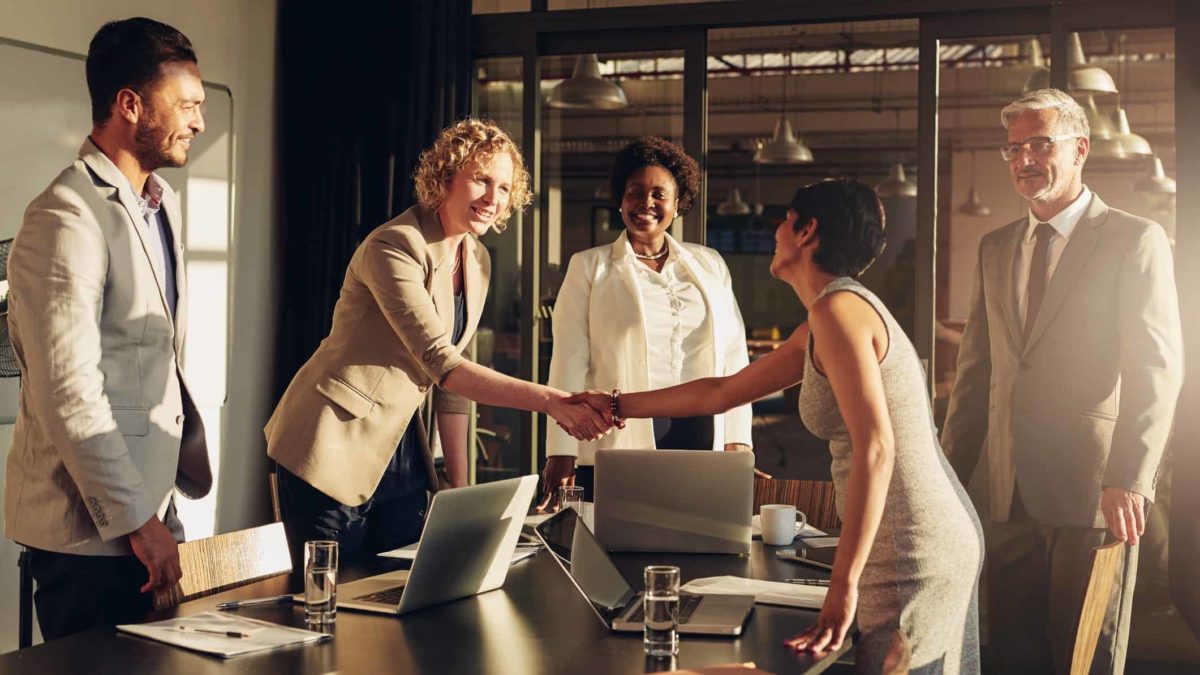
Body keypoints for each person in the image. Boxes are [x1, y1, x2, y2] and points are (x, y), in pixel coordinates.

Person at [571, 179, 983, 673]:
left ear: (808, 231)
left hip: (910, 546)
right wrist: (613, 405)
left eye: (785, 220)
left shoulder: (839, 311)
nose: (775, 230)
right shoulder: (826, 317)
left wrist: (843, 583)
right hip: (909, 535)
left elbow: (877, 448)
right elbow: (721, 392)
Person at [266, 118, 610, 566]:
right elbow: (443, 362)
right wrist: (553, 401)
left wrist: (459, 491)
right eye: (481, 180)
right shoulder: (394, 245)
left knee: (397, 594)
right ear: (445, 178)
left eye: (504, 188)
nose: (492, 198)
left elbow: (450, 386)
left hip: (404, 450)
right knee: (331, 598)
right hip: (332, 439)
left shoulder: (477, 259)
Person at [940, 88, 1182, 675]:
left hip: (1095, 491)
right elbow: (977, 375)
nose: (1025, 158)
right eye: (1014, 147)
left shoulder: (1134, 238)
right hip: (1005, 492)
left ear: (1080, 148)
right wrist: (943, 477)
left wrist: (1131, 477)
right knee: (1011, 651)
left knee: (1085, 653)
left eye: (1040, 143)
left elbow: (1158, 366)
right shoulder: (996, 248)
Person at [4, 18, 212, 640]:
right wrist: (137, 523)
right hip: (89, 535)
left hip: (152, 510)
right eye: (187, 106)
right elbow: (69, 393)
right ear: (130, 105)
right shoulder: (65, 217)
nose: (199, 123)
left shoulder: (161, 204)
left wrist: (157, 516)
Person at [540, 137, 753, 505]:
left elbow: (734, 357)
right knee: (616, 547)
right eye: (635, 192)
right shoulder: (589, 266)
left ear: (677, 202)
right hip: (620, 436)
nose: (646, 203)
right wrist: (562, 451)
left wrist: (738, 442)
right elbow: (569, 359)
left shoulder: (710, 264)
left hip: (700, 433)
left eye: (659, 194)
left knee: (697, 541)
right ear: (620, 199)